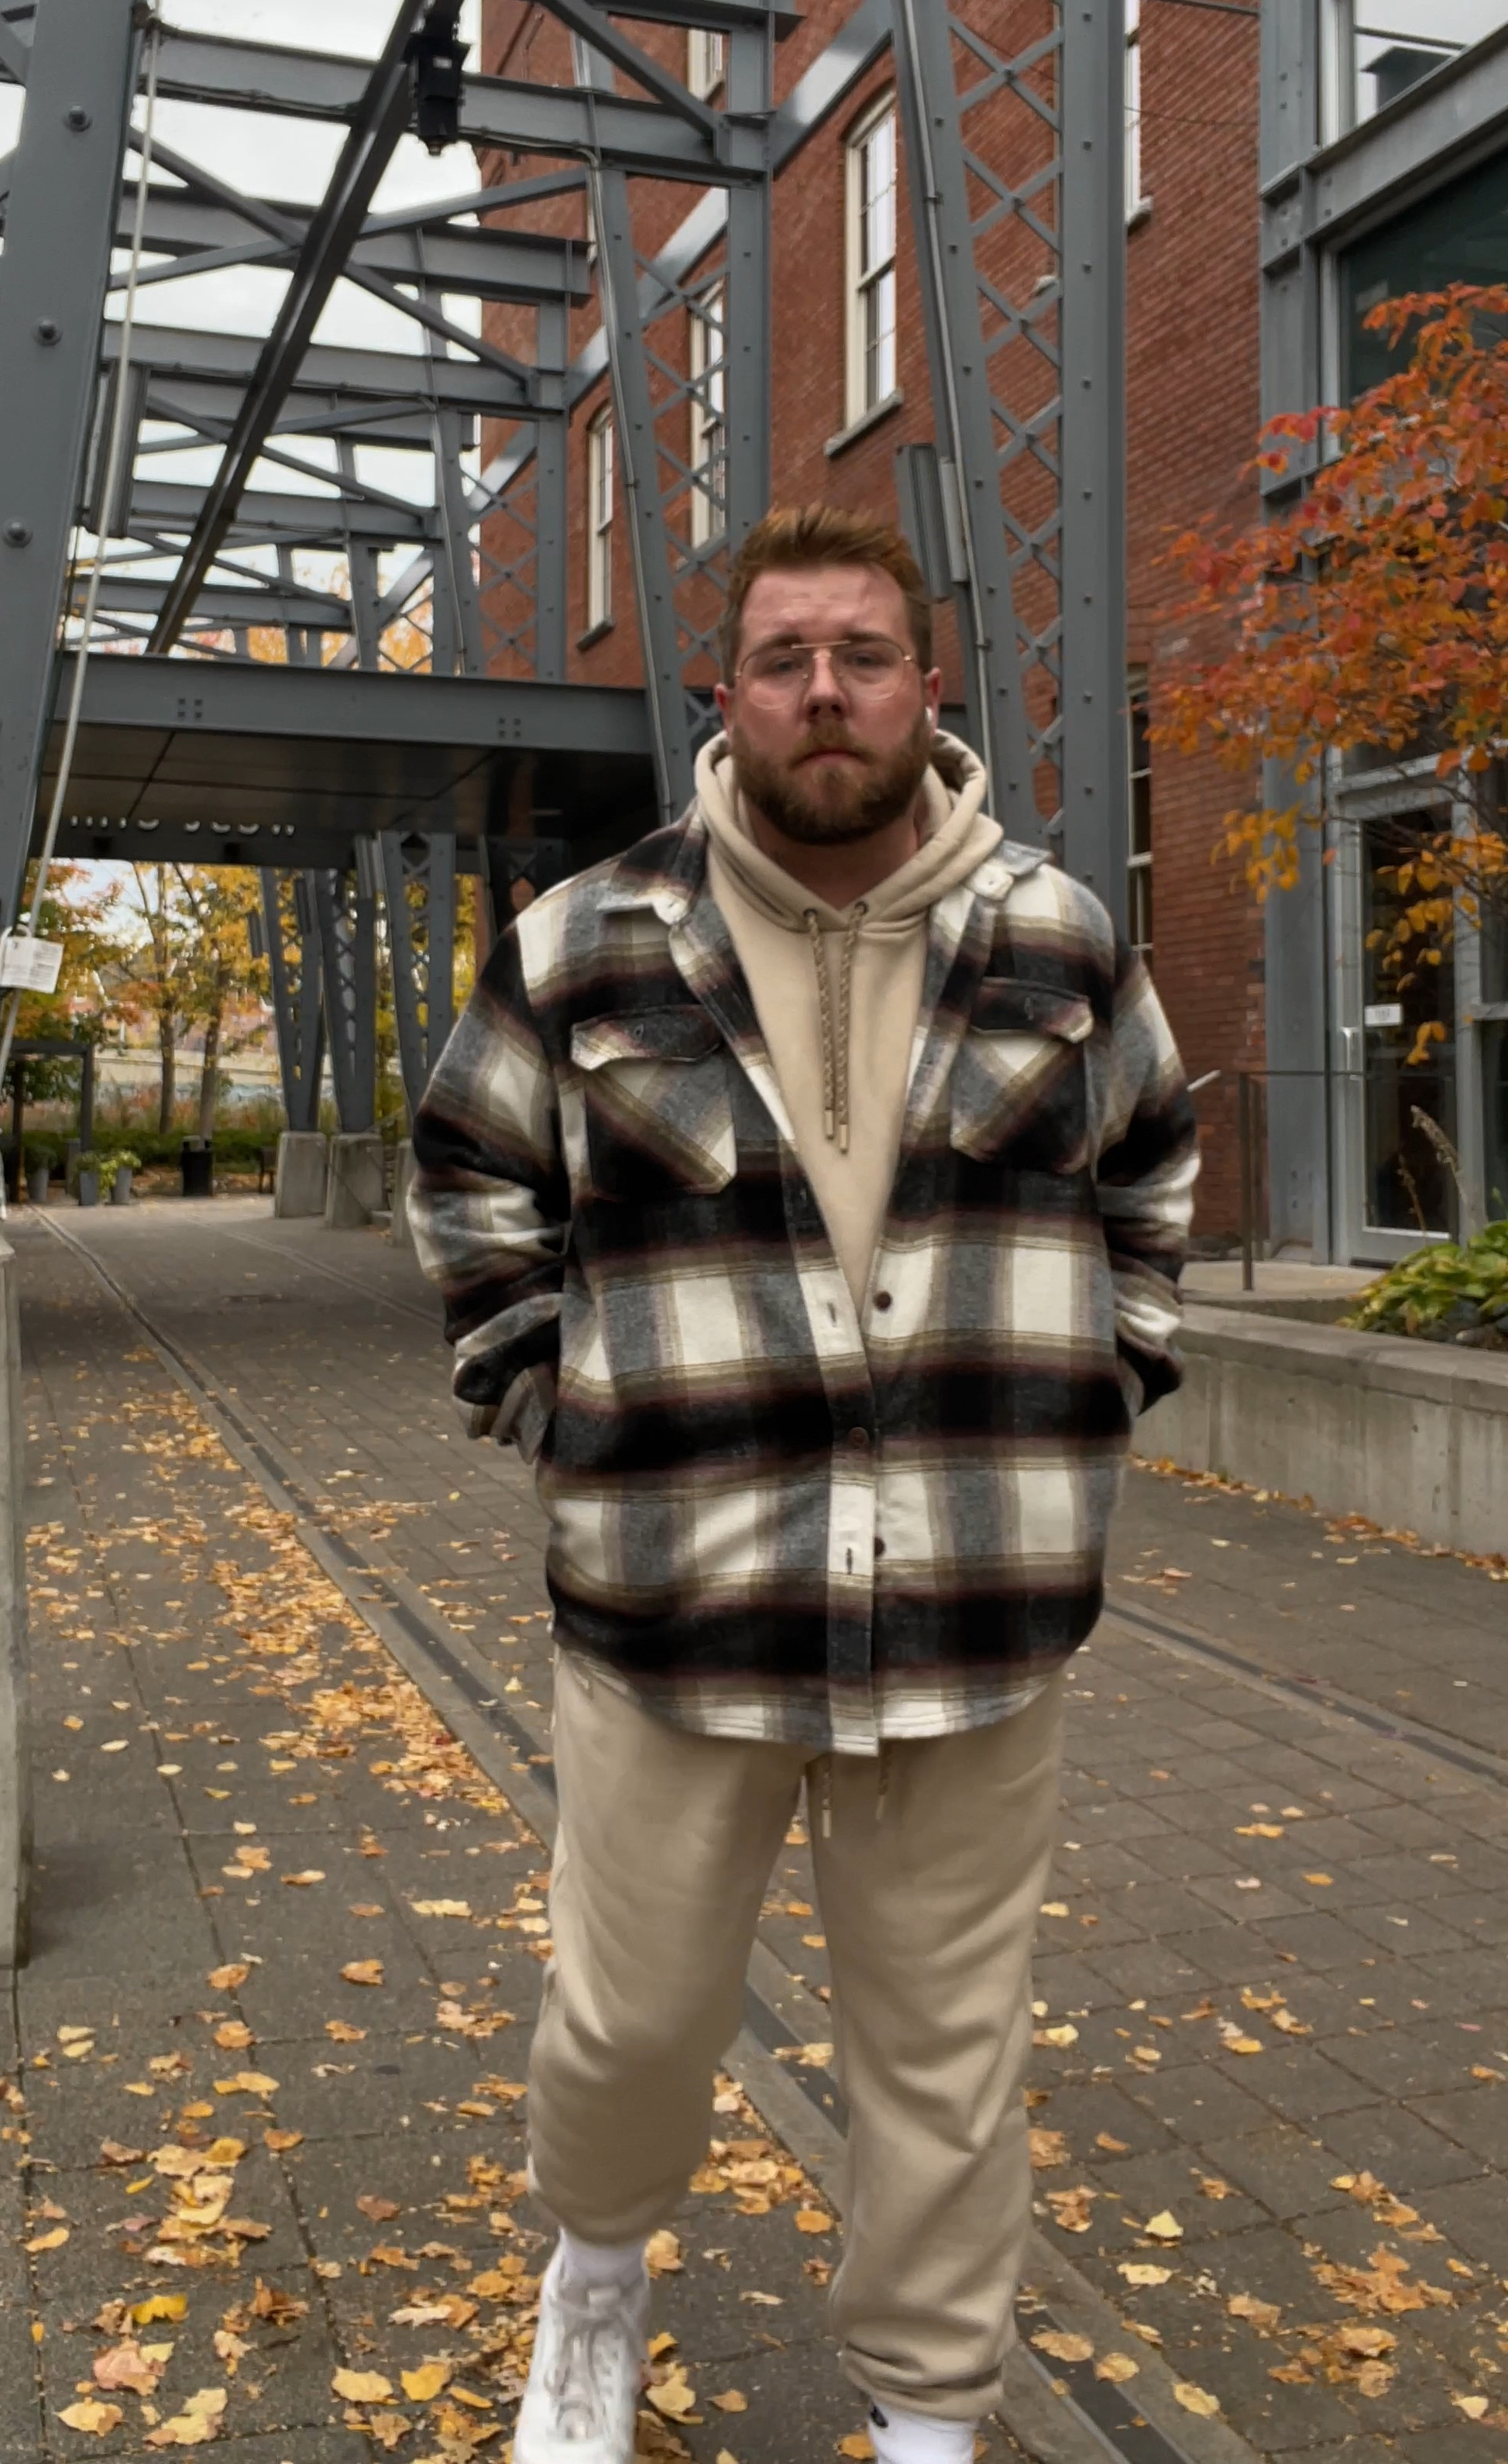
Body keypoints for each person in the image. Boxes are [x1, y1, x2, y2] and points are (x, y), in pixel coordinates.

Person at [409, 503, 1197, 2464]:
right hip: (679, 1601)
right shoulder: (586, 944)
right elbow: (469, 1183)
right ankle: (594, 2280)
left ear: (928, 686)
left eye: (862, 653)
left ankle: (931, 2412)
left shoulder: (1059, 938)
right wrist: (558, 1403)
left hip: (977, 1607)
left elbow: (1155, 1179)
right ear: (730, 693)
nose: (824, 692)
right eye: (785, 658)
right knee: (631, 2023)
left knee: (946, 2059)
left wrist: (1093, 1397)